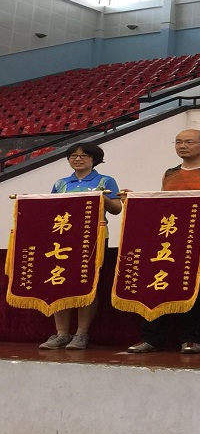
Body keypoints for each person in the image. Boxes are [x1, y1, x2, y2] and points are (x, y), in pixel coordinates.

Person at [127, 129, 200, 354]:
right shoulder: (170, 173)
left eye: (189, 142)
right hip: (168, 237)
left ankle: (191, 338)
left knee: (194, 286)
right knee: (157, 283)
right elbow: (164, 203)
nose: (182, 146)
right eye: (178, 142)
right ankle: (151, 337)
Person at [39, 143, 123, 350]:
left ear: (94, 159)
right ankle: (61, 334)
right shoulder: (60, 183)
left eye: (84, 155)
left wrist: (101, 197)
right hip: (63, 239)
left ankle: (81, 334)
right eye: (73, 156)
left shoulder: (105, 181)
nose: (78, 159)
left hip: (93, 238)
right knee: (59, 282)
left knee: (88, 284)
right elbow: (51, 210)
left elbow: (116, 209)